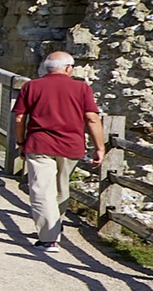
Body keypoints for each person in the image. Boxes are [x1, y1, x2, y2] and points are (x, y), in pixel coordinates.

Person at [12, 51, 104, 251]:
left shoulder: (31, 86)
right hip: (70, 145)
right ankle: (54, 228)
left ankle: (48, 237)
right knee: (62, 189)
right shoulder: (82, 88)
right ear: (69, 68)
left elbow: (19, 118)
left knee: (42, 189)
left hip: (39, 144)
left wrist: (20, 142)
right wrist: (100, 147)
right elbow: (92, 118)